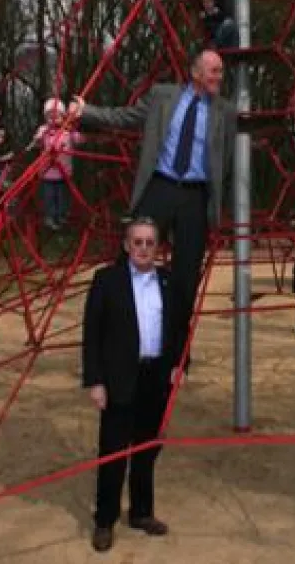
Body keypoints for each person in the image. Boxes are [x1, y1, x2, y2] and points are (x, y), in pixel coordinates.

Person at [71, 49, 236, 360]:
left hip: (195, 196)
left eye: (221, 71)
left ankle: (175, 352)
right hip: (160, 186)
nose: (219, 77)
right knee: (128, 262)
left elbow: (224, 162)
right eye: (214, 70)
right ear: (196, 72)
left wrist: (215, 202)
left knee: (186, 278)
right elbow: (125, 117)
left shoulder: (224, 111)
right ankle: (115, 339)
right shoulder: (163, 96)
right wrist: (86, 112)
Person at [82, 216, 183, 553]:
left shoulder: (168, 281)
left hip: (156, 378)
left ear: (158, 247)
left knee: (147, 449)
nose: (143, 248)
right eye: (137, 242)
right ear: (126, 246)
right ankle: (104, 521)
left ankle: (141, 512)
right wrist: (95, 381)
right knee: (112, 452)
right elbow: (92, 335)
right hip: (118, 379)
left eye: (149, 242)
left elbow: (179, 327)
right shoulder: (106, 280)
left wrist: (180, 365)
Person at [28, 97, 85, 229]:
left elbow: (79, 140)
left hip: (64, 172)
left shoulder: (67, 131)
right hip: (48, 172)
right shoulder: (44, 130)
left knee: (62, 196)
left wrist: (78, 132)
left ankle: (61, 216)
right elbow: (36, 143)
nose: (53, 119)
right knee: (49, 196)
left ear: (63, 116)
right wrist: (38, 137)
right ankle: (50, 217)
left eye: (57, 116)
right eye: (50, 116)